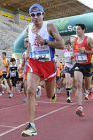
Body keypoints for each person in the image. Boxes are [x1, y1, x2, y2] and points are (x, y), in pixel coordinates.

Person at [21, 4, 64, 137]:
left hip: (48, 64)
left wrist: (45, 42)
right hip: (34, 63)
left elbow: (61, 44)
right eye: (33, 15)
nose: (36, 17)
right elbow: (30, 45)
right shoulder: (28, 28)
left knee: (49, 95)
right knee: (29, 90)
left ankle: (52, 94)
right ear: (30, 17)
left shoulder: (49, 26)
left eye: (38, 14)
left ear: (43, 14)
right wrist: (28, 54)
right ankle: (31, 126)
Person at [71, 23, 93, 117]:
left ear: (83, 30)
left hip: (88, 65)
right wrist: (73, 55)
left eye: (79, 29)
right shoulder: (74, 40)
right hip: (78, 65)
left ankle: (91, 89)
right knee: (79, 85)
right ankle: (80, 107)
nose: (77, 30)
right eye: (76, 29)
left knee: (87, 87)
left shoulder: (89, 39)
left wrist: (85, 51)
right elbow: (74, 49)